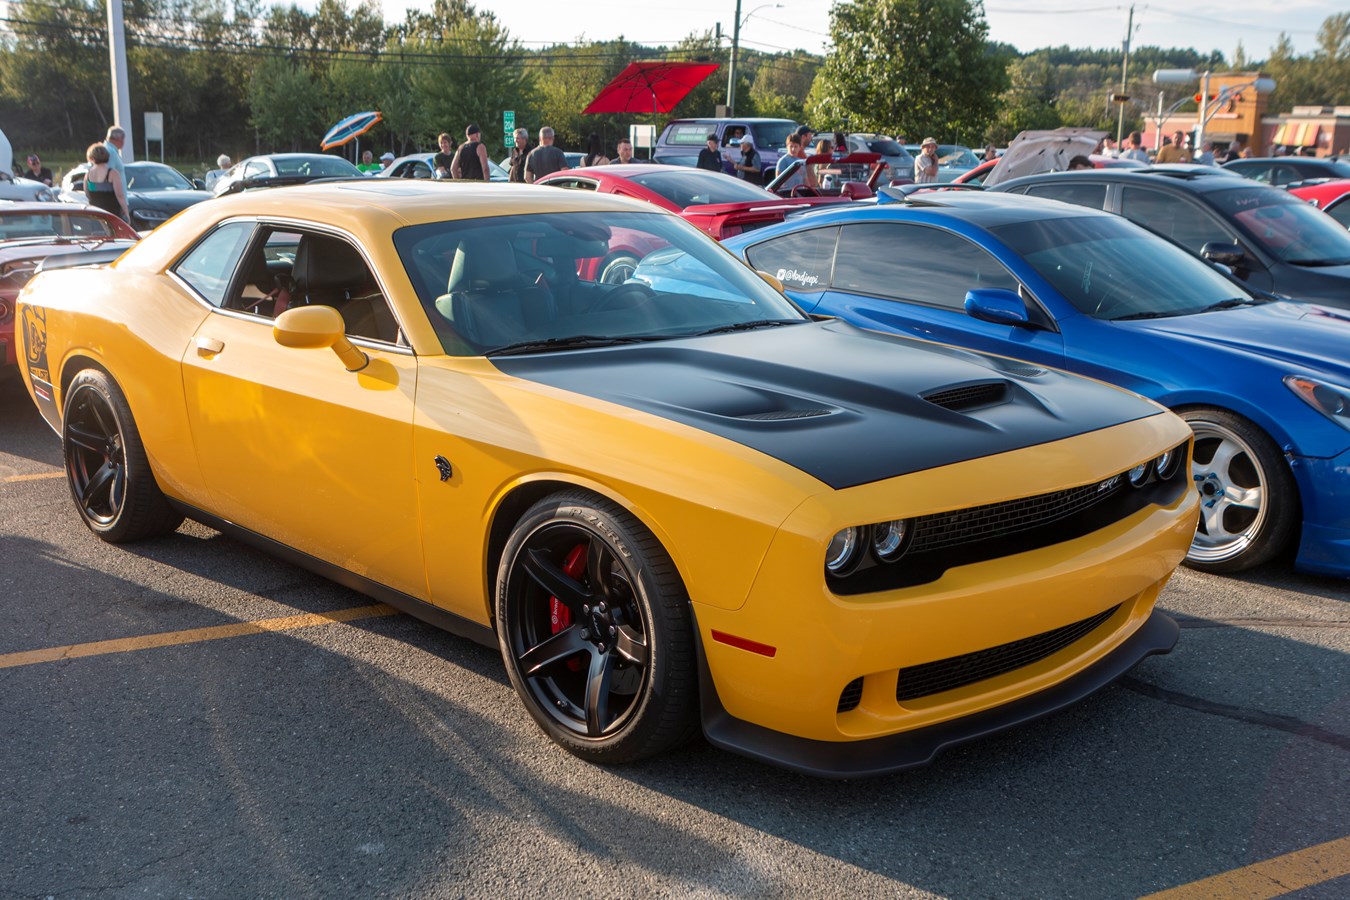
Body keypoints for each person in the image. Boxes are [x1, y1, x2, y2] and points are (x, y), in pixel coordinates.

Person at [83, 142, 127, 222]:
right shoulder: (113, 173)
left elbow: (87, 194)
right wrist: (126, 212)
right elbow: (120, 195)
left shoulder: (88, 175)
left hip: (95, 214)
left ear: (91, 157)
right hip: (112, 214)